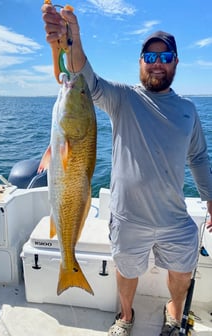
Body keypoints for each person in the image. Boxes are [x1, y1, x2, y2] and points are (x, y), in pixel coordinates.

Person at [41, 4, 212, 336]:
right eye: (151, 57)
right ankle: (125, 316)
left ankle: (174, 314)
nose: (158, 64)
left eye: (165, 57)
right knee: (126, 270)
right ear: (140, 63)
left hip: (174, 217)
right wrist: (71, 38)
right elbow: (83, 75)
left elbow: (199, 158)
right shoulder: (121, 98)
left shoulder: (189, 111)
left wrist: (211, 198)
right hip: (128, 216)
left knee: (182, 271)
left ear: (176, 62)